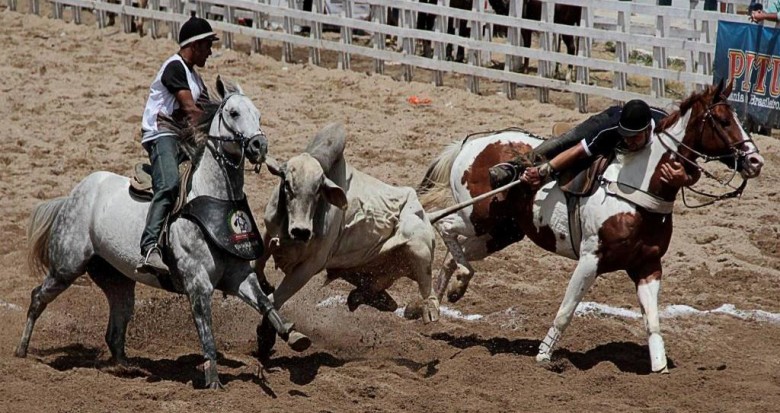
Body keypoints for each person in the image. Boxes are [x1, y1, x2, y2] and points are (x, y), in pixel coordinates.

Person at [136, 15, 219, 276]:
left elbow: (207, 109)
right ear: (193, 45)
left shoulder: (195, 77)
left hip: (181, 137)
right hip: (161, 134)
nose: (210, 51)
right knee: (170, 184)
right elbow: (192, 111)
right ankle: (149, 247)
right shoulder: (174, 68)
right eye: (207, 45)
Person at [489, 99, 699, 191]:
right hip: (607, 119)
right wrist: (545, 170)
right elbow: (578, 150)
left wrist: (685, 179)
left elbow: (693, 168)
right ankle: (512, 167)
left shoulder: (665, 131)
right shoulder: (611, 130)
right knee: (563, 141)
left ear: (648, 131)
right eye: (625, 136)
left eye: (633, 137)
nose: (628, 140)